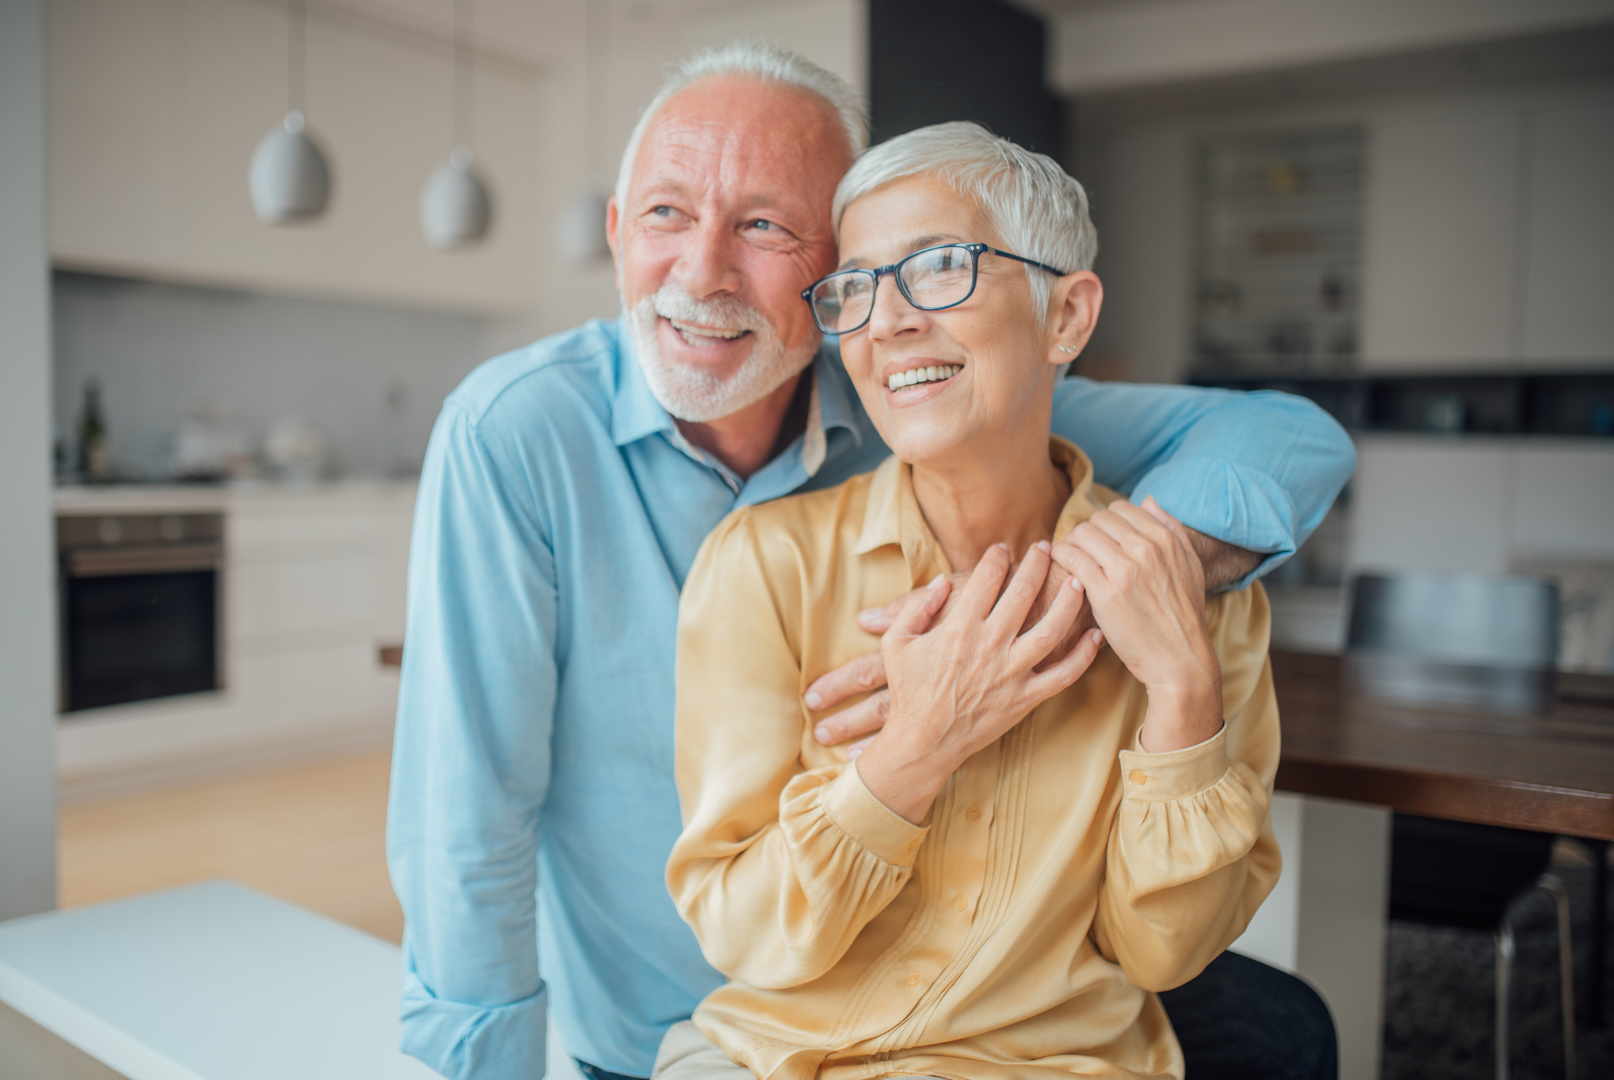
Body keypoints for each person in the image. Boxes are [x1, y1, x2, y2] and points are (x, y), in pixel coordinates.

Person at [387, 40, 1351, 1080]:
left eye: (763, 225)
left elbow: (1287, 438)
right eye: (666, 213)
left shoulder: (919, 385)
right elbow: (466, 814)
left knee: (1283, 1029)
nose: (702, 271)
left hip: (999, 994)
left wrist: (1056, 609)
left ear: (820, 276)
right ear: (618, 233)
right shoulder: (521, 433)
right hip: (710, 1013)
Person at [658, 120, 1281, 1080]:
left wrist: (1183, 700)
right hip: (771, 1062)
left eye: (941, 266)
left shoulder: (1197, 596)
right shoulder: (762, 564)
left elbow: (1162, 952)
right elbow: (739, 930)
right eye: (856, 288)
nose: (888, 321)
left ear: (1067, 317)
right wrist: (915, 749)